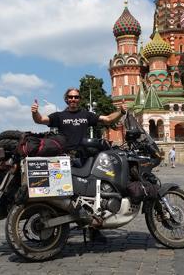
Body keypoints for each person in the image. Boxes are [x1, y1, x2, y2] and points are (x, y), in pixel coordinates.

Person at [31, 87, 125, 243]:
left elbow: (108, 119)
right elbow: (40, 120)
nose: (73, 99)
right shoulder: (60, 116)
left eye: (76, 97)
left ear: (79, 99)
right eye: (70, 97)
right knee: (67, 192)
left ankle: (93, 229)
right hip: (65, 157)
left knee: (91, 193)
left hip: (83, 158)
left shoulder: (86, 115)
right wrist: (35, 112)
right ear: (66, 99)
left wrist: (121, 112)